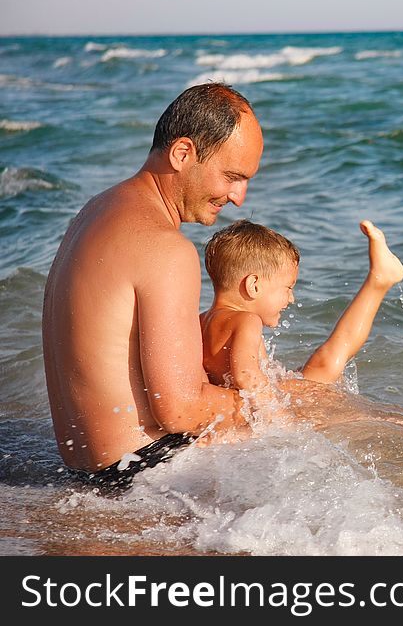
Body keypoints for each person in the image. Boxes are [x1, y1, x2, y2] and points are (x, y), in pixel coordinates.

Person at [42, 82, 263, 486]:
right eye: (232, 176)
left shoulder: (95, 210)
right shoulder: (165, 248)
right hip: (141, 473)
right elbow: (179, 409)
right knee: (310, 419)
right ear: (182, 154)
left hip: (87, 468)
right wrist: (261, 404)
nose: (238, 197)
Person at [200, 219, 403, 402]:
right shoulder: (246, 320)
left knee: (323, 365)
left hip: (257, 394)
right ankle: (378, 280)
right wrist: (278, 417)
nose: (291, 298)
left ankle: (379, 277)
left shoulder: (201, 321)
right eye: (288, 288)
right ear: (254, 285)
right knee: (328, 362)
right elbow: (246, 376)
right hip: (270, 398)